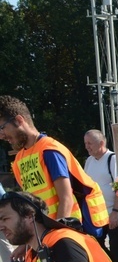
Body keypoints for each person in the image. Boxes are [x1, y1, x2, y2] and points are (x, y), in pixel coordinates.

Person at [1, 95, 108, 242]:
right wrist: (26, 244)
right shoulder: (19, 160)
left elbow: (66, 199)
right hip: (45, 235)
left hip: (68, 232)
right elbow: (27, 206)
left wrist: (56, 238)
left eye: (2, 128)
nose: (1, 135)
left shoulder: (49, 151)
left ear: (19, 120)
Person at [83, 129, 118, 262]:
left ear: (101, 143)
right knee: (96, 244)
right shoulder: (89, 161)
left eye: (90, 143)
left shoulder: (113, 159)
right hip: (95, 212)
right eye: (85, 143)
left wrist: (115, 211)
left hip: (113, 210)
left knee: (115, 244)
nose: (87, 146)